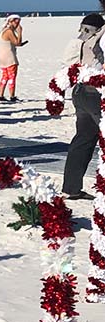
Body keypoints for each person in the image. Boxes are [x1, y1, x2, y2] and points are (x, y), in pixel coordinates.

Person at [61, 14, 105, 200]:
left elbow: (68, 61)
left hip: (80, 91)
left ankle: (71, 188)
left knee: (83, 140)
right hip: (96, 92)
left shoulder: (84, 35)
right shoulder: (101, 33)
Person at [0, 15, 28, 101]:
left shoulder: (4, 31)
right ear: (10, 21)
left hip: (2, 57)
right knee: (12, 77)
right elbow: (17, 42)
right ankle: (12, 96)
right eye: (16, 22)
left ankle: (1, 95)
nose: (17, 25)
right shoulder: (9, 31)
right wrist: (20, 32)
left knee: (5, 76)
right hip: (9, 57)